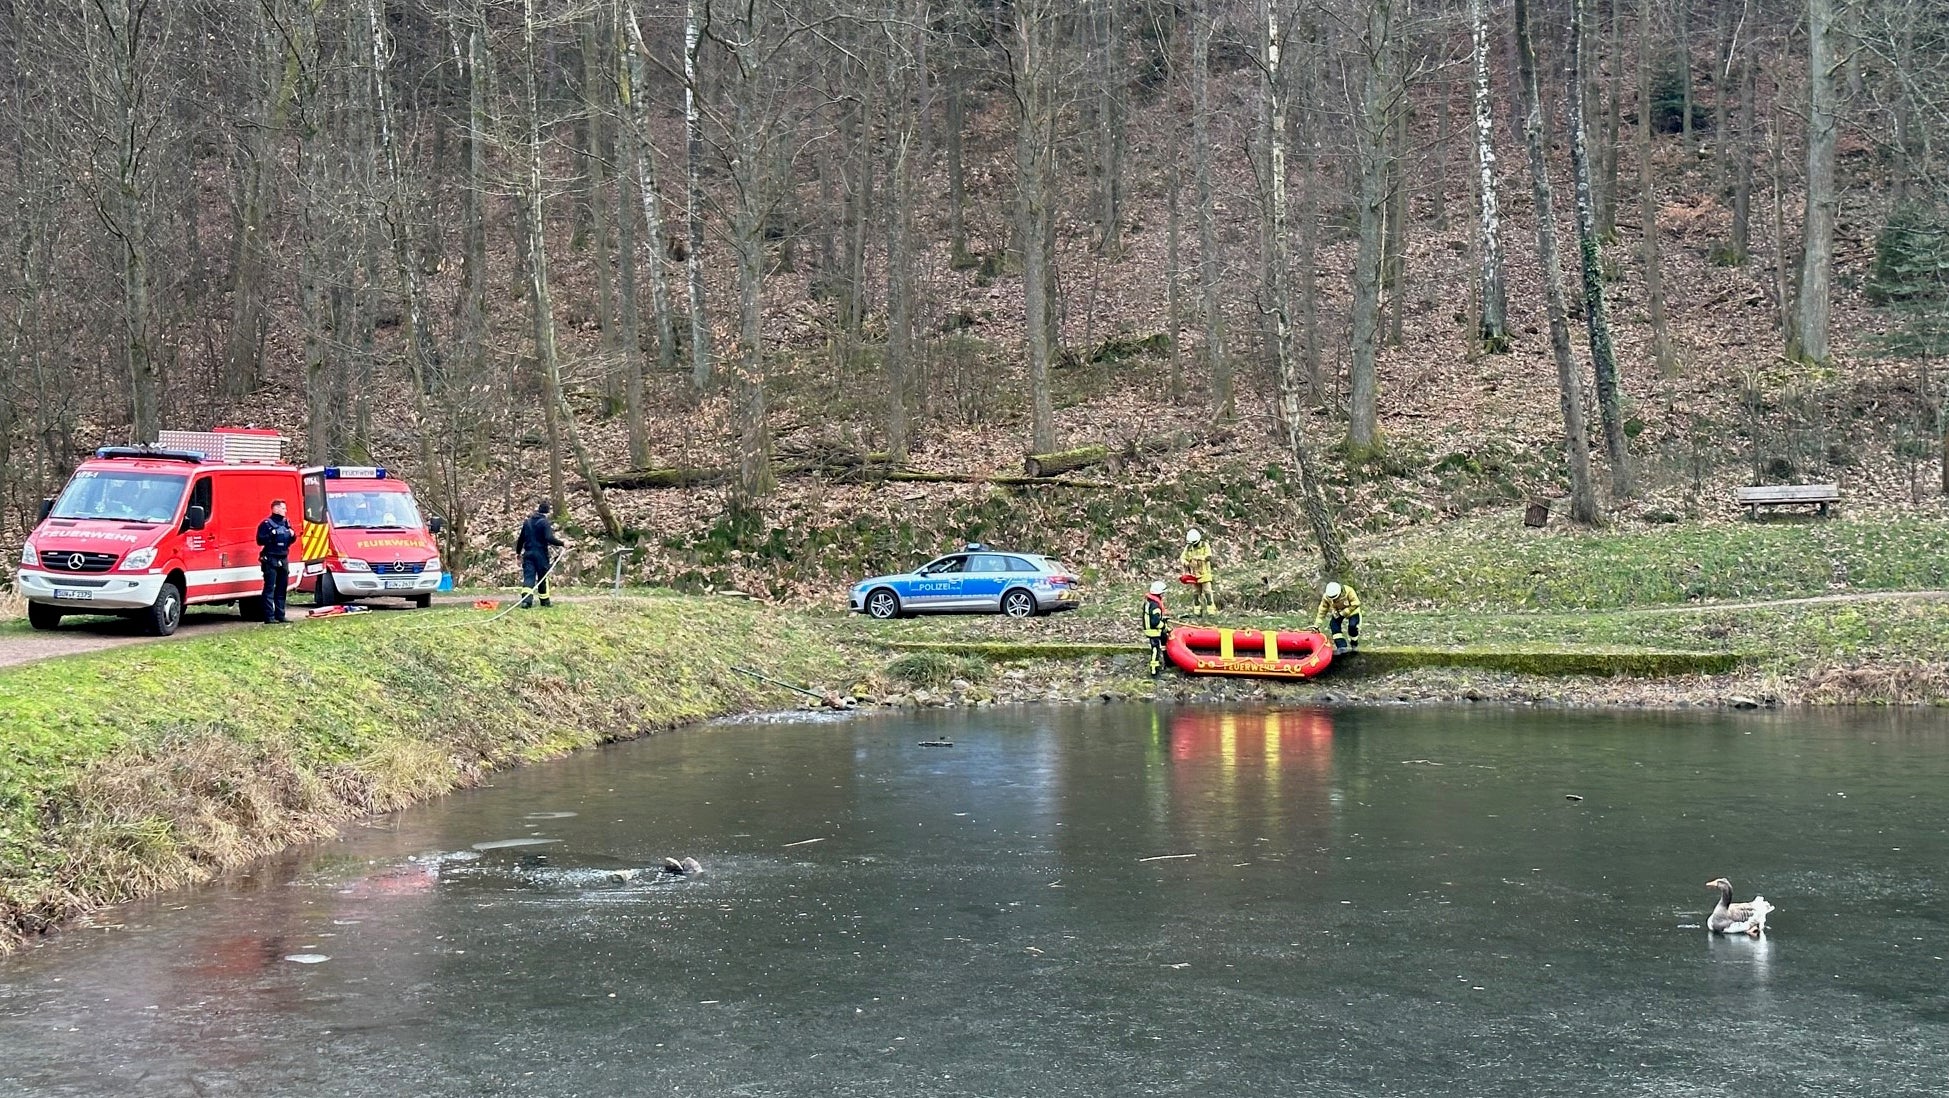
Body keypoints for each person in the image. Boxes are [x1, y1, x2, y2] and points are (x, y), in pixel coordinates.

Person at [515, 500, 566, 608]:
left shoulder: (527, 522)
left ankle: (526, 601)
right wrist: (563, 543)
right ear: (547, 512)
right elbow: (549, 538)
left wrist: (518, 553)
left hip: (528, 554)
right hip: (541, 555)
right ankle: (545, 601)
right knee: (543, 577)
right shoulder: (544, 522)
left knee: (529, 577)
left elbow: (521, 539)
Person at [257, 499, 297, 624]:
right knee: (270, 588)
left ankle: (281, 615)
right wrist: (271, 535)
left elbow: (289, 540)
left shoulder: (286, 523)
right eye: (283, 508)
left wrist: (293, 535)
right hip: (271, 558)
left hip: (283, 558)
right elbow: (260, 541)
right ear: (276, 509)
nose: (285, 511)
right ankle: (269, 617)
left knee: (282, 588)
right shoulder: (266, 524)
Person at [1313, 580, 1362, 654]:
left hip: (1352, 611)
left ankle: (1354, 643)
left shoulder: (1349, 591)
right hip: (1338, 612)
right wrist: (1317, 624)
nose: (1334, 599)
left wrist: (1343, 613)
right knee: (1334, 625)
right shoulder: (1326, 597)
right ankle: (1341, 646)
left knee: (1352, 626)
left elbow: (1356, 603)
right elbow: (1323, 610)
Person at [1179, 528, 1216, 618]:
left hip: (1205, 573)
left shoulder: (1204, 545)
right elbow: (1182, 558)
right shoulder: (1188, 548)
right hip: (1194, 575)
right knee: (1196, 593)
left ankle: (1211, 611)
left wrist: (1199, 558)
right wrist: (1186, 563)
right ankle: (1197, 612)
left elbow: (1209, 557)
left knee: (1208, 592)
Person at [1143, 579, 1171, 678]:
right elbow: (1155, 622)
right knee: (1155, 649)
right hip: (1153, 631)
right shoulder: (1155, 605)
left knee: (1164, 641)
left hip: (1153, 629)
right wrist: (1164, 626)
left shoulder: (1150, 602)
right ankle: (1154, 670)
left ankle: (1168, 662)